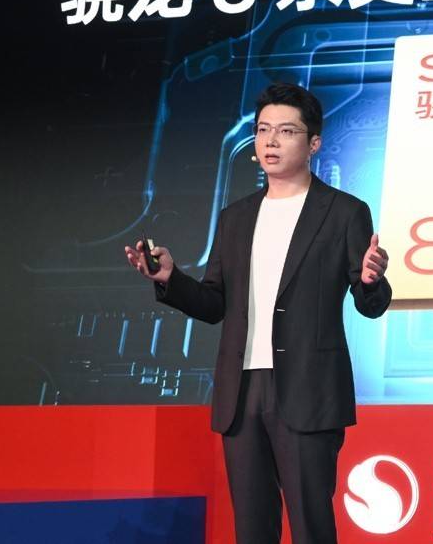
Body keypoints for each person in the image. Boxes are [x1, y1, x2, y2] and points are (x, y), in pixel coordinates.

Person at [125, 82, 391, 544]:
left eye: (286, 131)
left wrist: (371, 280)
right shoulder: (236, 217)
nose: (271, 141)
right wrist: (170, 277)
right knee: (251, 528)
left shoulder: (344, 212)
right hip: (242, 390)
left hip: (308, 390)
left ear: (313, 143)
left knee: (311, 527)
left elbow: (370, 305)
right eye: (264, 129)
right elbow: (214, 304)